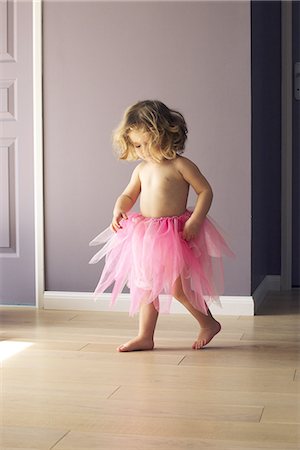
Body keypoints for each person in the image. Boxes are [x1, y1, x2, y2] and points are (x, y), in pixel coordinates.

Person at [89, 100, 234, 352]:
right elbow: (128, 196)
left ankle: (207, 322)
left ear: (165, 135)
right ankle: (145, 336)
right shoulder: (141, 169)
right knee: (145, 286)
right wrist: (118, 209)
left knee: (180, 289)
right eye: (137, 145)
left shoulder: (181, 165)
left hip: (175, 234)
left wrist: (196, 220)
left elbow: (205, 191)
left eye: (147, 143)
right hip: (145, 234)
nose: (142, 150)